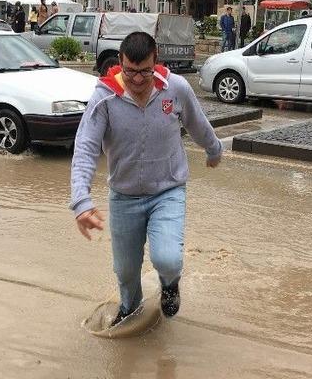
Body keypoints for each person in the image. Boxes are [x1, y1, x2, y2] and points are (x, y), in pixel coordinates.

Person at [70, 32, 223, 327]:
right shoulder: (104, 98)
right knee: (126, 270)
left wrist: (214, 150)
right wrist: (81, 201)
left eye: (144, 71)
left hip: (167, 191)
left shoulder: (175, 89)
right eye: (130, 71)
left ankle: (169, 284)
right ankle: (130, 309)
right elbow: (85, 148)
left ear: (156, 62)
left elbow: (198, 124)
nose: (137, 79)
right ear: (120, 64)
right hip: (124, 196)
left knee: (167, 259)